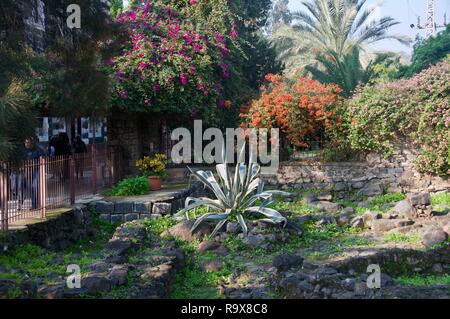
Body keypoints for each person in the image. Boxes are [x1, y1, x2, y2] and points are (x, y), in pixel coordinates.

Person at [18, 137, 44, 210]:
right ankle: (19, 204)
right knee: (21, 187)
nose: (27, 144)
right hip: (24, 171)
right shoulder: (22, 151)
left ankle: (34, 205)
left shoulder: (38, 150)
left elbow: (43, 158)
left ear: (32, 143)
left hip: (34, 171)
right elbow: (19, 160)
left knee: (33, 188)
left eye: (28, 142)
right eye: (26, 142)